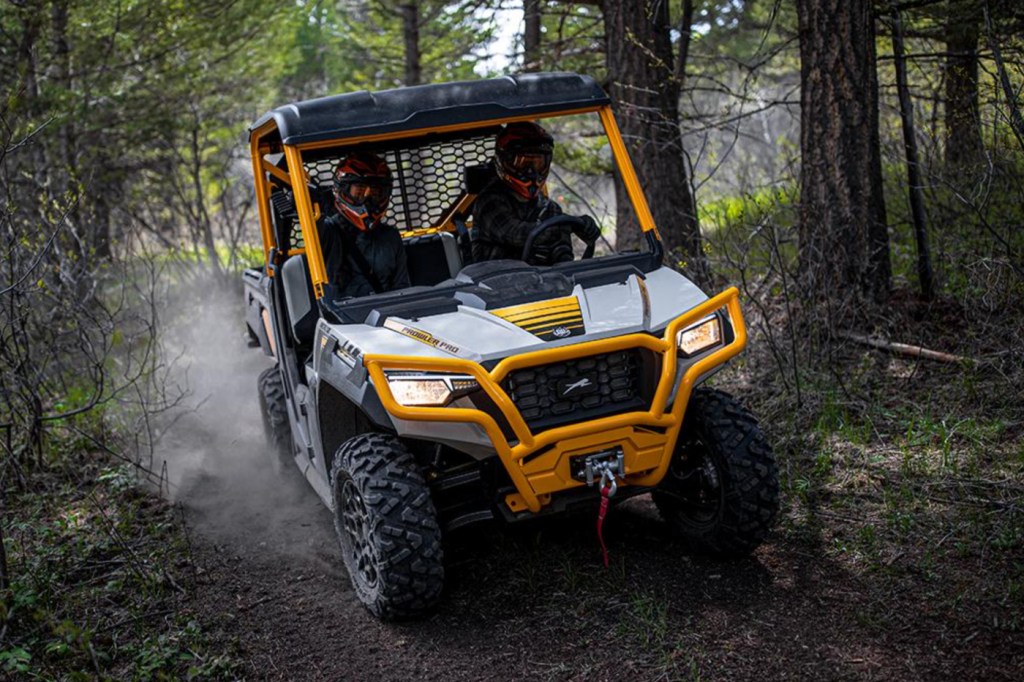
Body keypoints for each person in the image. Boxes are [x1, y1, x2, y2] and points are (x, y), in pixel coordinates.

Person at [471, 121, 601, 265]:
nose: (531, 172)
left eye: (538, 164)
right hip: (494, 282)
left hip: (543, 282)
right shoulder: (489, 203)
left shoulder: (549, 208)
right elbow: (516, 234)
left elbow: (563, 256)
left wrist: (582, 226)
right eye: (524, 164)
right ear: (504, 162)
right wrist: (568, 224)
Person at [317, 151, 410, 299]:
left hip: (387, 316)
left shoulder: (390, 237)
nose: (368, 200)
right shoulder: (328, 232)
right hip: (341, 318)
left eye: (376, 193)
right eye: (359, 192)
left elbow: (403, 289)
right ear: (342, 191)